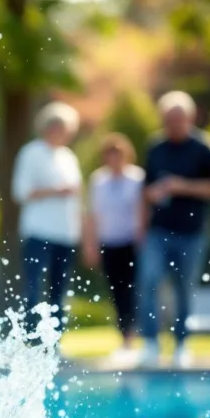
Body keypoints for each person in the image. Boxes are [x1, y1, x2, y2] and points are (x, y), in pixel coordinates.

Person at [137, 90, 210, 367]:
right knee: (148, 280)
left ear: (190, 117)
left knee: (183, 289)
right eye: (168, 119)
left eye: (178, 118)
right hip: (158, 230)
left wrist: (182, 185)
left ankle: (181, 345)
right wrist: (152, 195)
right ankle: (150, 343)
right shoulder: (155, 147)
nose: (173, 124)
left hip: (192, 233)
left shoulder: (204, 147)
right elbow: (145, 190)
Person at [11, 101, 83, 337]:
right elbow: (20, 192)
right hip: (38, 231)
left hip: (66, 233)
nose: (59, 132)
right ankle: (29, 339)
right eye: (55, 126)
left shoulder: (68, 157)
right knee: (33, 288)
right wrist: (55, 191)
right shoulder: (31, 152)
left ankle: (54, 344)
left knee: (59, 292)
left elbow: (77, 196)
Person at [82, 133, 144, 353]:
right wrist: (90, 244)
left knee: (133, 289)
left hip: (131, 242)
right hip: (109, 242)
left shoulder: (137, 178)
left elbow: (142, 210)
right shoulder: (98, 181)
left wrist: (142, 237)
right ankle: (123, 334)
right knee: (116, 290)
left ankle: (134, 334)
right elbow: (92, 215)